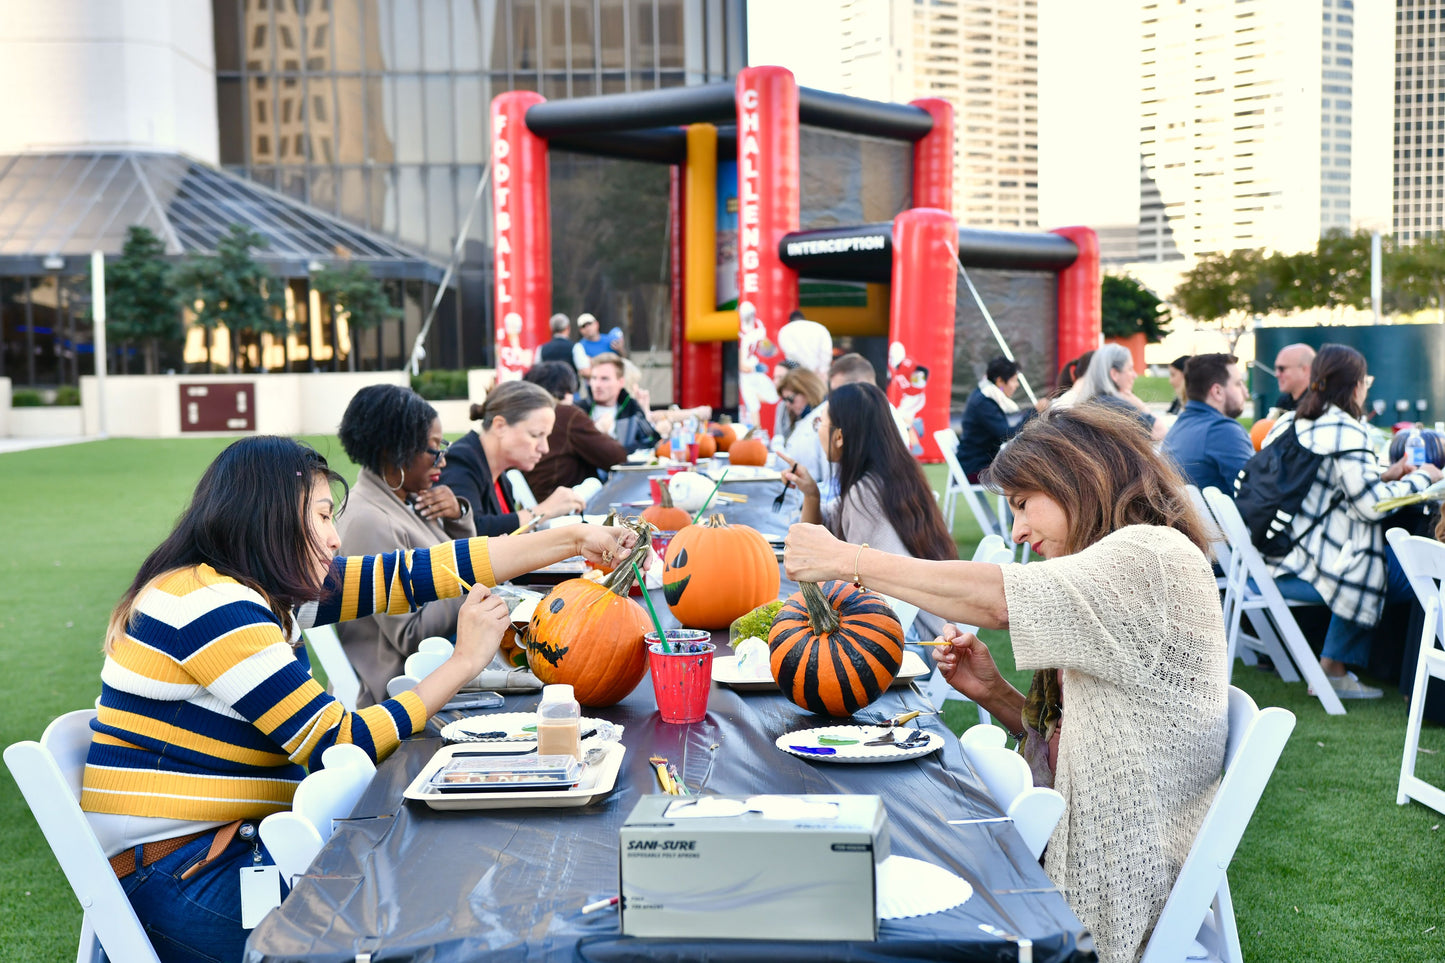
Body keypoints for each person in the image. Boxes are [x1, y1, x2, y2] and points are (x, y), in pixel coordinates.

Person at [81, 435, 634, 963]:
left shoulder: (250, 586)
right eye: (322, 516)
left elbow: (417, 573)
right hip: (183, 874)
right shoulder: (211, 604)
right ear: (270, 518)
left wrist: (572, 539)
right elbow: (341, 743)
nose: (335, 537)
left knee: (427, 887)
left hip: (222, 850)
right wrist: (463, 662)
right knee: (417, 921)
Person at [783, 403, 1229, 963]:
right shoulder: (1129, 554)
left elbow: (998, 598)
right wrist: (994, 694)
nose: (1017, 529)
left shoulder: (1151, 554)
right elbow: (1093, 737)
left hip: (1110, 875)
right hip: (1073, 844)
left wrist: (848, 559)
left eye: (1023, 505)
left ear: (1077, 476)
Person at [1260, 344, 1442, 697]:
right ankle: (1410, 679)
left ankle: (1338, 666)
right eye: (1366, 381)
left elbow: (1329, 488)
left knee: (1370, 556)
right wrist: (1425, 477)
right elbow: (1369, 507)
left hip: (1271, 557)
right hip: (1304, 569)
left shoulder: (1286, 423)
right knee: (1410, 572)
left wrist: (1389, 475)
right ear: (1356, 385)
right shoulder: (1345, 429)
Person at [780, 382, 957, 641]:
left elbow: (854, 580)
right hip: (923, 624)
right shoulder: (890, 477)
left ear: (839, 436)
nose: (818, 431)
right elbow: (818, 534)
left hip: (905, 636)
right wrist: (811, 494)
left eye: (821, 423)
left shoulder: (864, 495)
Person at [441, 380, 588, 535]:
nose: (544, 448)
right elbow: (472, 531)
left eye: (546, 437)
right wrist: (545, 510)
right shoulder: (460, 461)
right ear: (500, 426)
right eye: (536, 435)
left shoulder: (500, 477)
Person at [521, 360, 627, 501]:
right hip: (563, 507)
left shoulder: (522, 413)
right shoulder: (566, 414)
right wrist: (600, 430)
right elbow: (617, 458)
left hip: (533, 504)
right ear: (567, 391)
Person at [1160, 352, 1254, 493]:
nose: (1246, 393)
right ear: (1217, 391)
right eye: (1238, 384)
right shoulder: (1221, 431)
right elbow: (1257, 495)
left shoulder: (1179, 428)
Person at [957, 355, 1036, 482]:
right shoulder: (984, 402)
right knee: (1030, 471)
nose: (1016, 385)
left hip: (978, 462)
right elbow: (1007, 435)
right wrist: (1034, 413)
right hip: (976, 468)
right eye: (1014, 380)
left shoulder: (984, 395)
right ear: (1000, 381)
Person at [1071, 342, 1167, 441]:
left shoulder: (1087, 403)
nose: (1135, 375)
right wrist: (1139, 404)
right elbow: (1160, 431)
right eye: (1130, 369)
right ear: (1114, 374)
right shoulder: (1114, 405)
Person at [582, 352, 660, 451]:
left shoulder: (631, 407)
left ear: (621, 382)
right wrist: (596, 432)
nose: (597, 384)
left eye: (604, 379)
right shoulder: (578, 410)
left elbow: (653, 441)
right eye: (594, 378)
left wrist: (625, 451)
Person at [777, 367, 828, 484]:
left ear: (808, 390)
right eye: (785, 400)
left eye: (790, 399)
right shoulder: (804, 419)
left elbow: (826, 474)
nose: (788, 405)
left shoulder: (824, 417)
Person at [571, 312, 625, 380]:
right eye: (583, 326)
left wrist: (621, 349)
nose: (588, 328)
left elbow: (623, 360)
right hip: (595, 386)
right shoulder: (579, 347)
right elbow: (584, 372)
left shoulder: (610, 340)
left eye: (589, 324)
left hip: (615, 382)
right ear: (580, 330)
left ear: (596, 324)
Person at [1269, 342, 1316, 415]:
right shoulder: (1284, 402)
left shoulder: (1320, 404)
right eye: (1276, 369)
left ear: (1305, 370)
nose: (1277, 374)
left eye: (1282, 369)